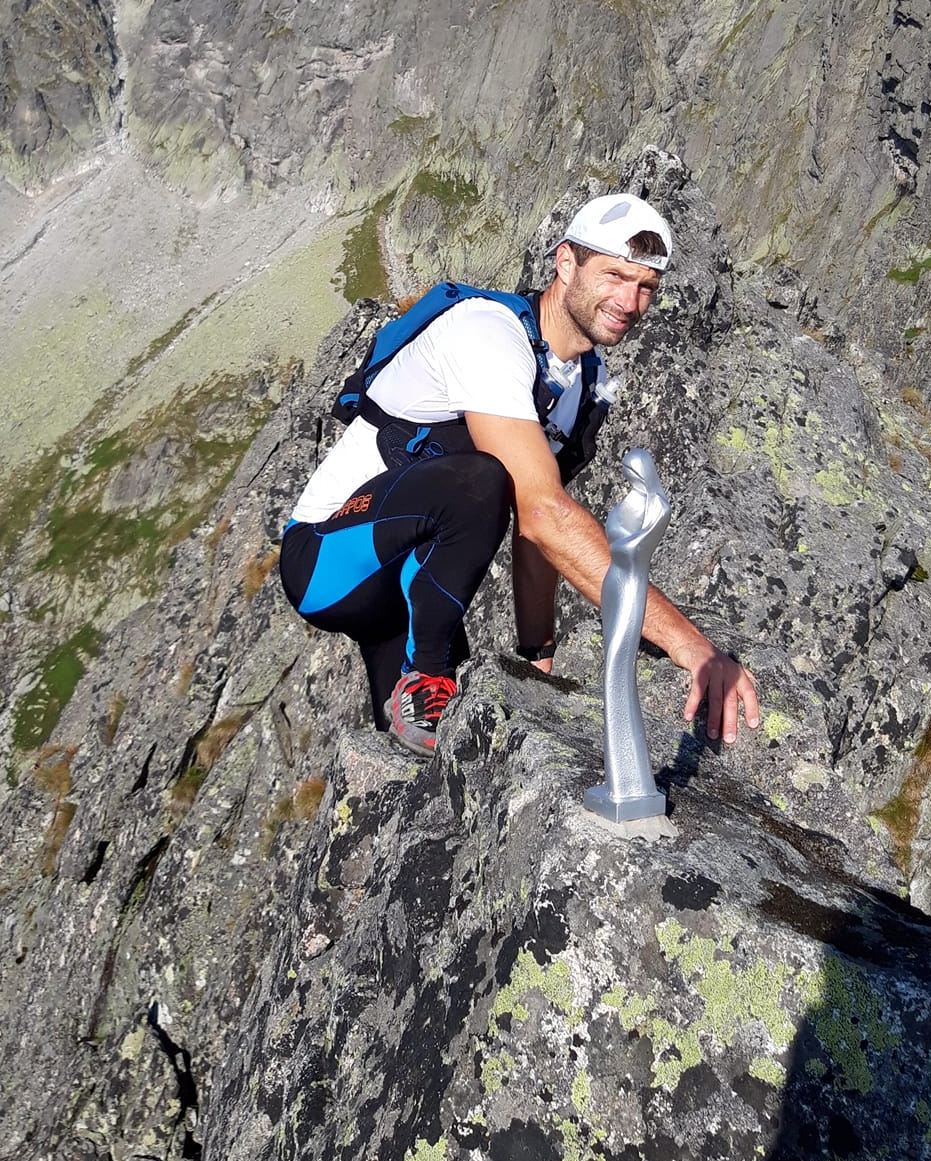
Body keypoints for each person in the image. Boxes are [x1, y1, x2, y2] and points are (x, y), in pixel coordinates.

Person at [280, 193, 760, 754]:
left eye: (646, 286)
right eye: (613, 276)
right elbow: (542, 514)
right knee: (479, 480)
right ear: (566, 263)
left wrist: (538, 655)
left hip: (407, 601)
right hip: (326, 560)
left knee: (432, 770)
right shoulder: (487, 333)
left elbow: (539, 530)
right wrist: (688, 644)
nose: (629, 302)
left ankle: (419, 696)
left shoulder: (581, 385)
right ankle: (425, 677)